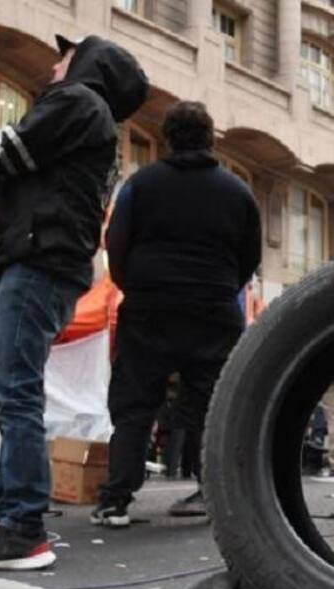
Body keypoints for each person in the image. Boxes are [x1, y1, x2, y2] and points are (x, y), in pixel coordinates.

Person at [0, 35, 148, 568]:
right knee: (10, 390)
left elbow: (2, 150)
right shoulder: (85, 119)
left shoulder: (78, 103)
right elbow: (1, 175)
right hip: (33, 260)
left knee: (15, 394)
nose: (54, 63)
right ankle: (6, 516)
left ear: (89, 65)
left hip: (37, 261)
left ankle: (21, 525)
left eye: (65, 55)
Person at [92, 100, 261, 526]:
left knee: (135, 402)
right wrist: (221, 287)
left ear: (167, 138)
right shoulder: (238, 192)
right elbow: (250, 257)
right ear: (210, 139)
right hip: (214, 310)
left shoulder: (141, 185)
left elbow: (116, 242)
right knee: (211, 405)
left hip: (150, 307)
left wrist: (138, 285)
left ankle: (117, 499)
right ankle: (212, 493)